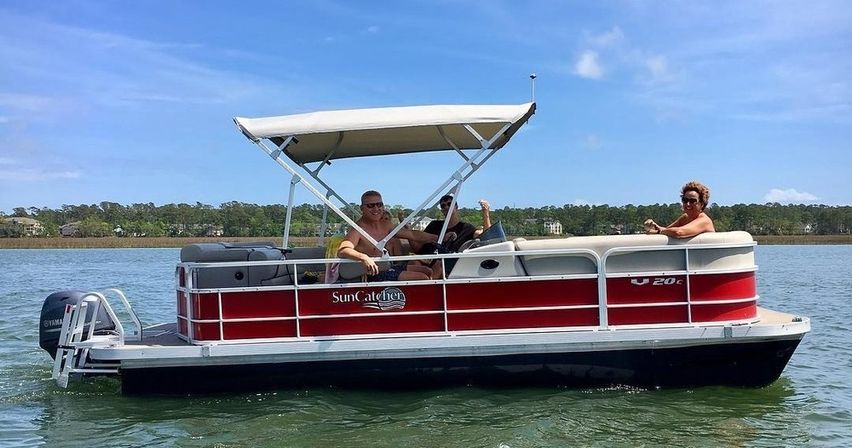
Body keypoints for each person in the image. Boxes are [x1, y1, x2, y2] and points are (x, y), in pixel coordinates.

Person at [337, 190, 447, 281]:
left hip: (388, 267)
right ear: (362, 209)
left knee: (428, 271)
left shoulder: (386, 225)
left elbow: (411, 234)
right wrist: (364, 258)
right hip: (374, 273)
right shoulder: (358, 229)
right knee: (422, 277)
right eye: (371, 205)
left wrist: (437, 238)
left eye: (379, 204)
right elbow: (343, 249)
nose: (376, 209)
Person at [645, 181, 715, 238]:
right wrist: (654, 226)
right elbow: (667, 230)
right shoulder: (685, 217)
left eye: (692, 201)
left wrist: (658, 231)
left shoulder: (704, 221)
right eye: (685, 200)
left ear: (702, 204)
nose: (688, 204)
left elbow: (679, 232)